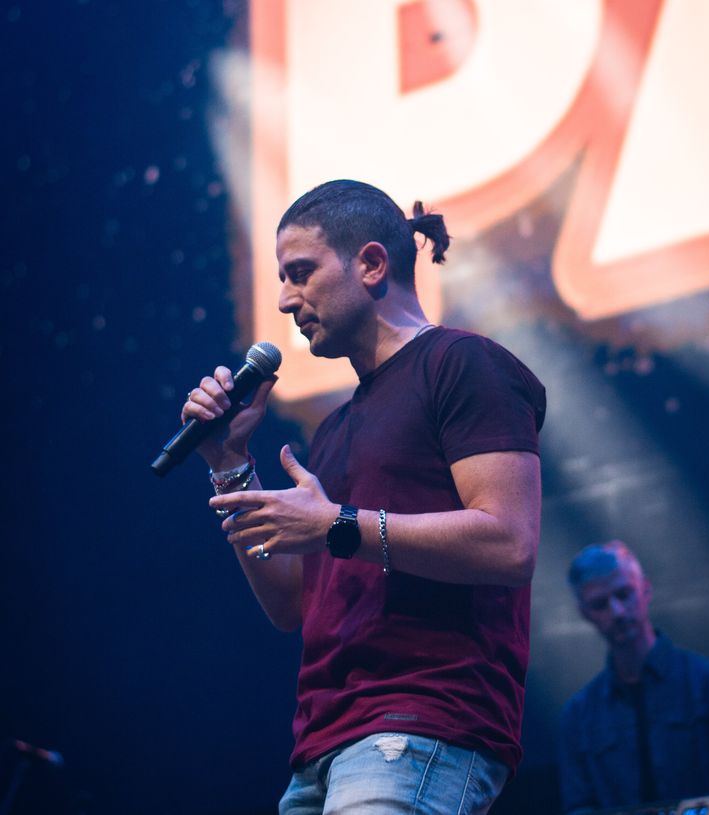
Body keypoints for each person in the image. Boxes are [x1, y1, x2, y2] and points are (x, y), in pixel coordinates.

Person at [182, 180, 546, 814]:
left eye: (300, 273)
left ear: (372, 263)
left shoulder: (462, 364)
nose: (285, 300)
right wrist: (231, 464)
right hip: (323, 745)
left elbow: (510, 542)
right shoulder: (334, 429)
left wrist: (338, 525)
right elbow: (291, 605)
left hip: (422, 721)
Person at [559, 540, 709, 814]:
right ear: (584, 613)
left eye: (624, 594)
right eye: (600, 604)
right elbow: (579, 806)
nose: (617, 612)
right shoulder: (578, 716)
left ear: (645, 589)